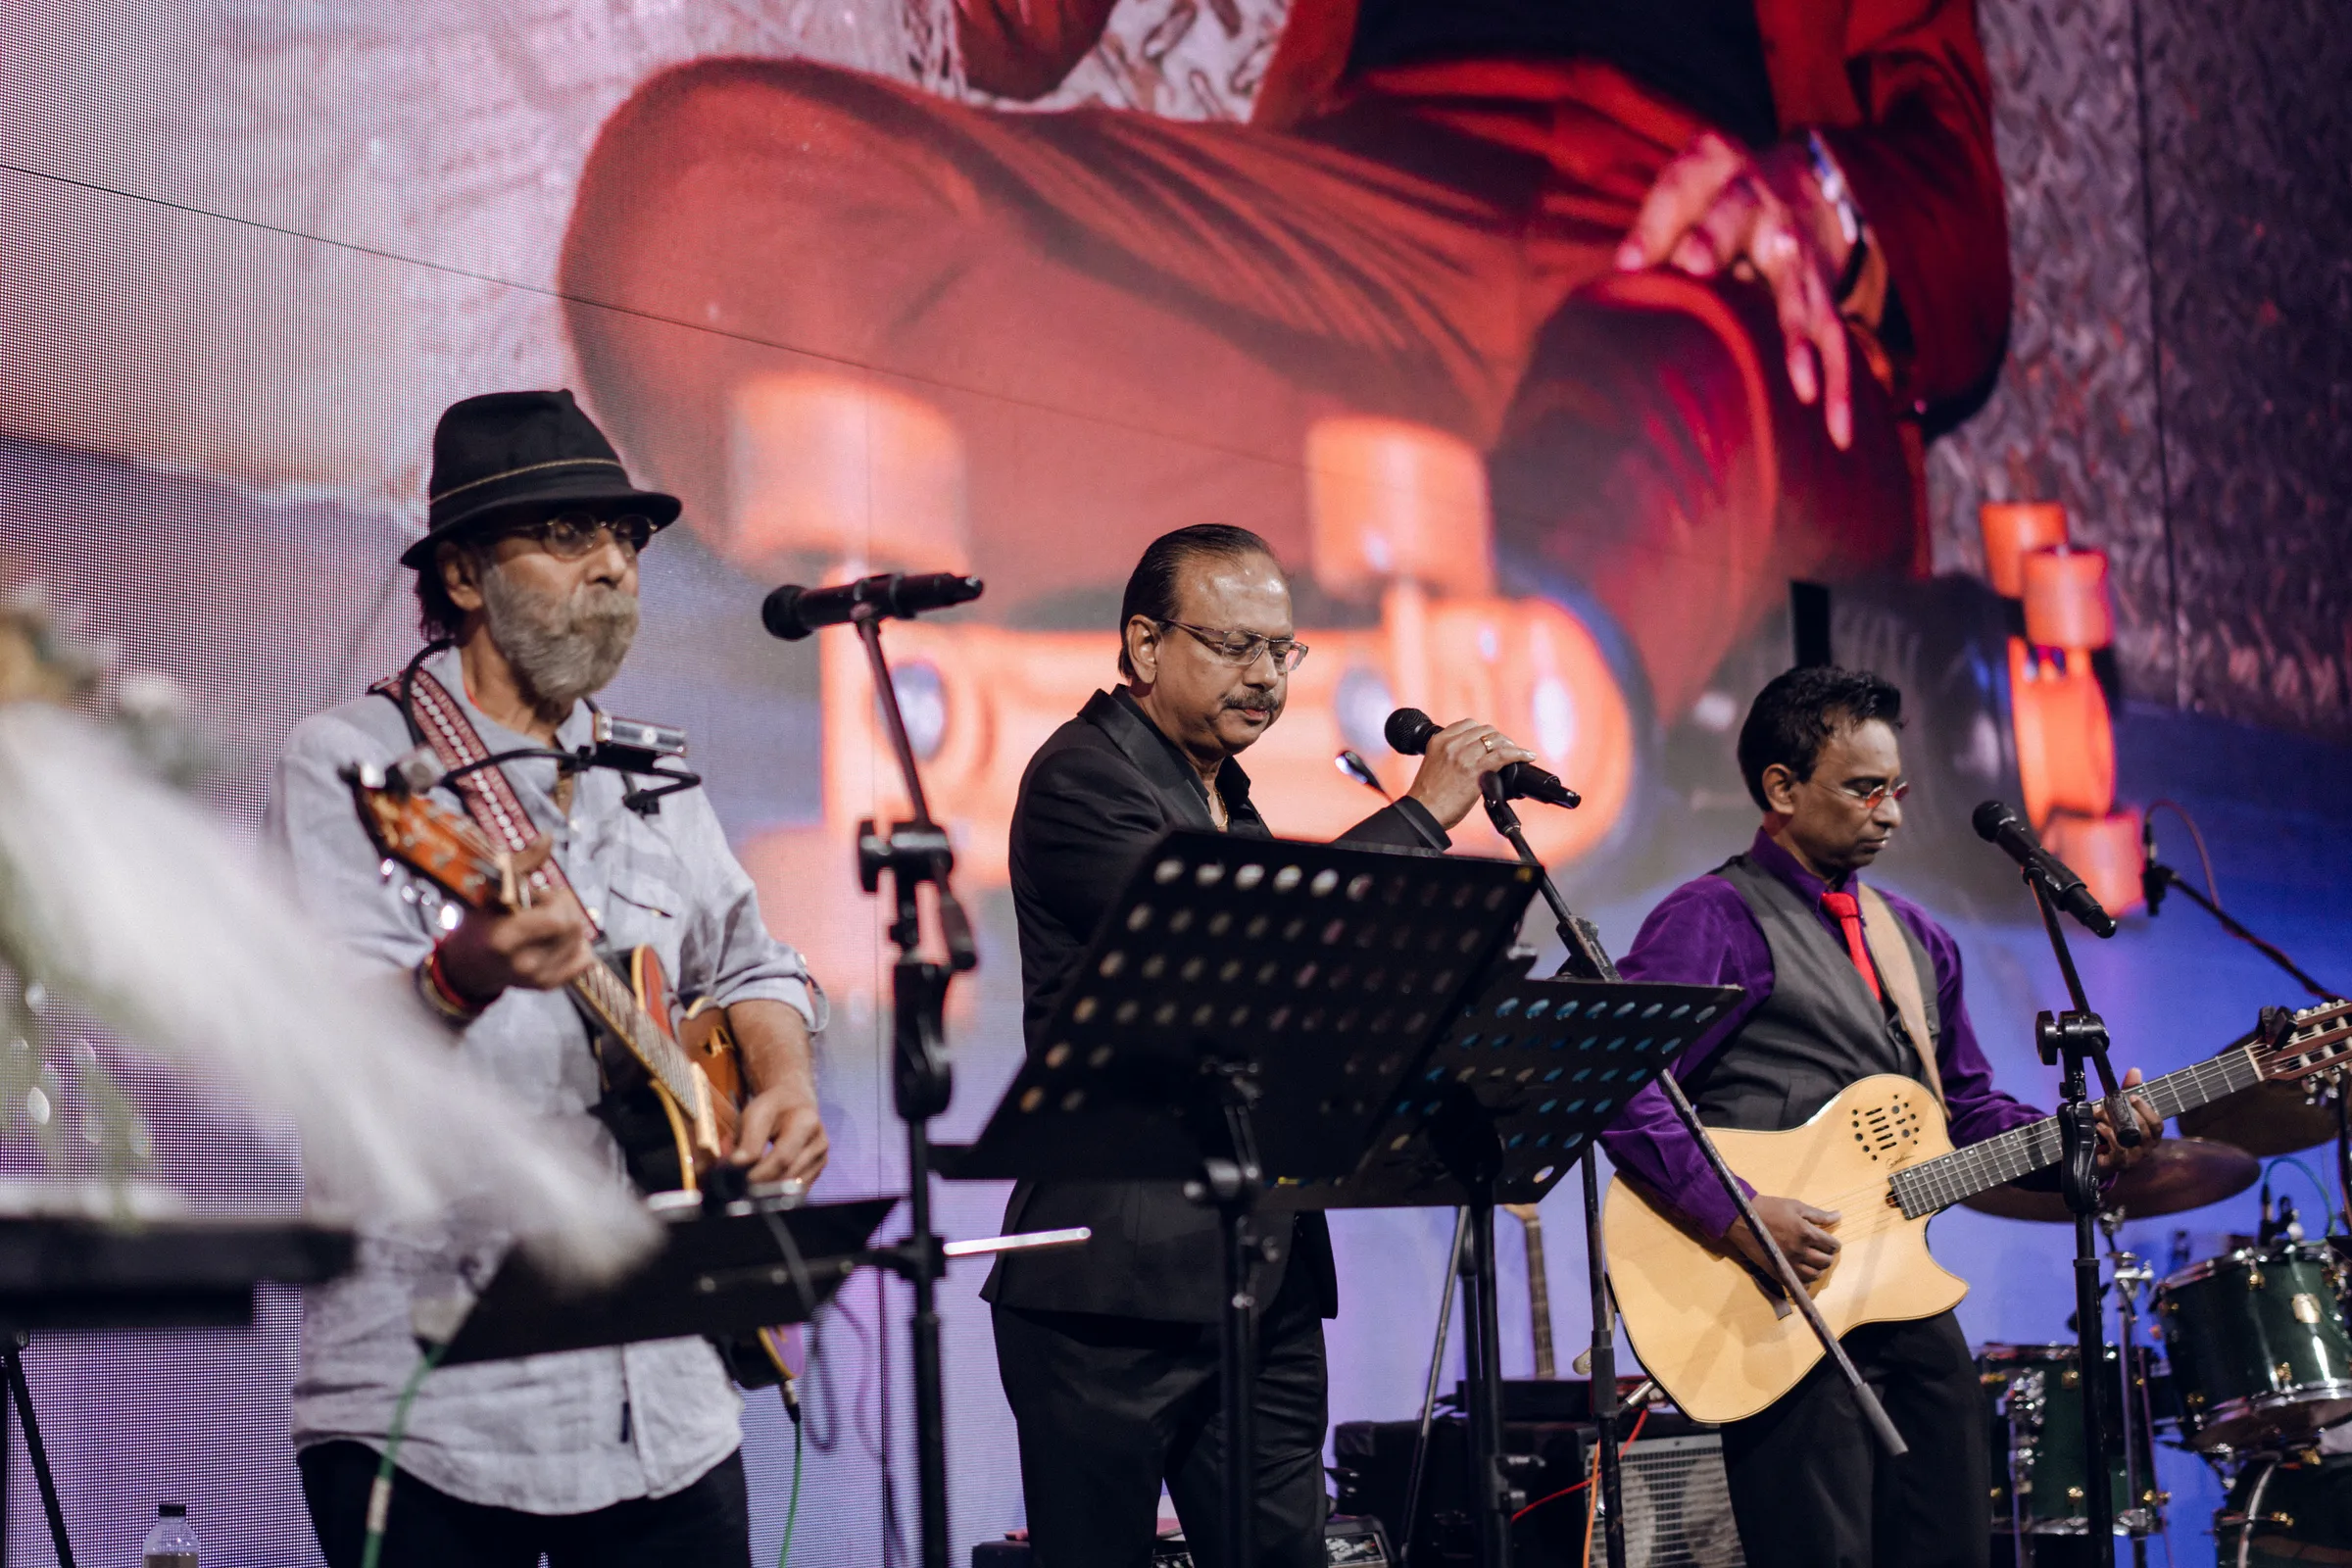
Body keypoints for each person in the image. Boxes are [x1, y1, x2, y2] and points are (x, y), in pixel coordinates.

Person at [559, 0, 2009, 725]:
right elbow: (1008, 29)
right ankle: (1364, 612)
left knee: (1682, 368)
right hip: (1373, 229)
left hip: (1711, 258)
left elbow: (1964, 254)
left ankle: (1516, 711)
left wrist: (1816, 199)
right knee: (706, 185)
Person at [264, 389, 829, 1567]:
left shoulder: (653, 777)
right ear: (462, 574)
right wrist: (460, 975)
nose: (615, 566)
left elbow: (756, 961)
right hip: (437, 1408)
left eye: (627, 537)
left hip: (668, 1406)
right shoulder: (353, 763)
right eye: (569, 535)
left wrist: (781, 1080)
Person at [987, 523, 1531, 1567]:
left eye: (1282, 650)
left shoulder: (1229, 799)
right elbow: (1237, 949)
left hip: (1263, 1276)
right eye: (1235, 645)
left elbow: (1299, 1008)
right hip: (1114, 1287)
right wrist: (1420, 820)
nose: (1267, 675)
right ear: (1145, 645)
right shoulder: (1081, 778)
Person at [1598, 665, 2161, 1568]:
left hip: (1897, 1295)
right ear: (1781, 788)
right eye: (1866, 790)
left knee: (1953, 1543)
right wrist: (1738, 1213)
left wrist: (2079, 1140)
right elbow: (1622, 1084)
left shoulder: (1919, 939)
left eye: (1897, 789)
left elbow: (1965, 1109)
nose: (1892, 813)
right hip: (1779, 1297)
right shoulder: (1711, 918)